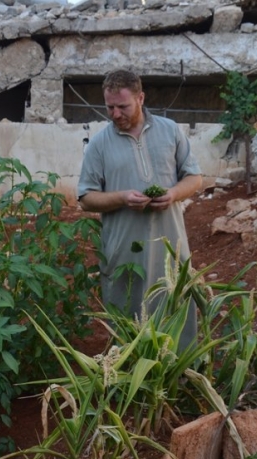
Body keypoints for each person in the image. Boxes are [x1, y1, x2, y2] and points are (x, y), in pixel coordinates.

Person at [77, 69, 203, 349]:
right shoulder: (99, 144)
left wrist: (172, 193)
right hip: (124, 251)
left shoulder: (170, 131)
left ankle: (180, 379)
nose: (115, 114)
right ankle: (131, 383)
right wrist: (122, 198)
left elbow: (194, 178)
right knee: (127, 318)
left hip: (170, 244)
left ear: (141, 98)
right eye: (109, 107)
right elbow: (85, 198)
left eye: (122, 106)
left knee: (175, 306)